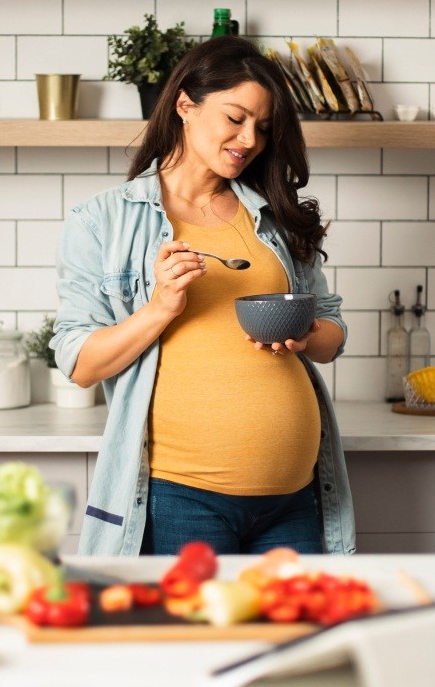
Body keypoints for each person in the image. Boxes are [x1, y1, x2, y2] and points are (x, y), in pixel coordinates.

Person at [52, 36, 355, 557]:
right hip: (181, 498)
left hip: (295, 497)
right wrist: (160, 308)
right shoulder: (102, 220)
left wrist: (305, 333)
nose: (249, 139)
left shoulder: (278, 216)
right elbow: (78, 363)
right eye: (235, 118)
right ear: (185, 105)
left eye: (262, 127)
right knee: (199, 639)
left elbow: (330, 334)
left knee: (306, 637)